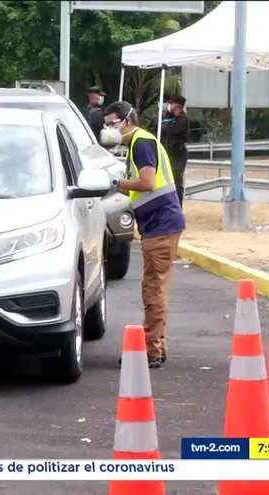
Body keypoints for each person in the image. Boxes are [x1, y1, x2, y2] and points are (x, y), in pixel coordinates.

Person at [100, 100, 186, 368]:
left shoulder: (141, 143)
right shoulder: (138, 143)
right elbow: (137, 187)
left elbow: (146, 183)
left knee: (153, 289)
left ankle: (151, 350)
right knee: (155, 287)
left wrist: (114, 182)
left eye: (112, 123)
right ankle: (156, 345)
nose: (109, 129)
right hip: (158, 224)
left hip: (161, 225)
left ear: (127, 120)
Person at [162, 94, 190, 206]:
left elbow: (169, 130)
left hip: (178, 153)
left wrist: (165, 124)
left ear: (177, 105)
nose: (169, 105)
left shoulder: (182, 119)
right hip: (169, 152)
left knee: (176, 180)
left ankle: (177, 205)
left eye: (171, 103)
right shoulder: (171, 117)